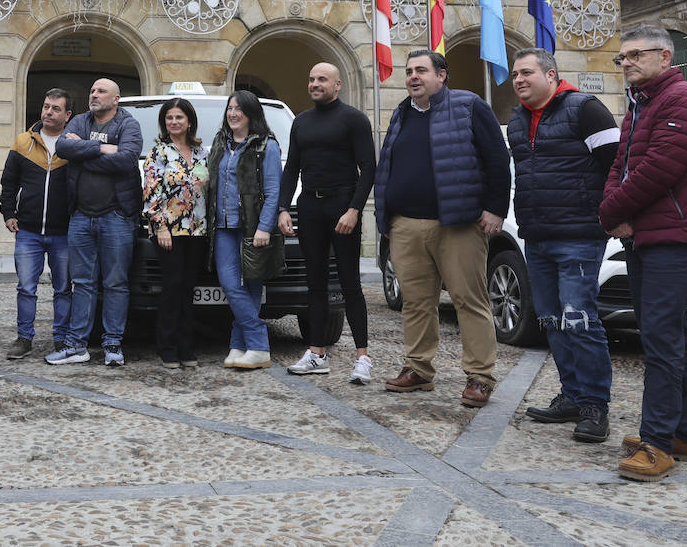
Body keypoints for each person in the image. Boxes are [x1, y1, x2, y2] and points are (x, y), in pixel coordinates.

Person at [599, 24, 687, 483]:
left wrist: (610, 210)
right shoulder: (641, 106)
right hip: (648, 235)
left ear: (665, 57)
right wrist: (613, 210)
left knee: (660, 339)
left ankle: (656, 444)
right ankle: (685, 435)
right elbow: (620, 165)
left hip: (678, 235)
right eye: (623, 57)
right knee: (672, 333)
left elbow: (659, 169)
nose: (627, 62)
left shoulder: (684, 99)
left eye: (636, 54)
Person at [373, 49, 510, 408]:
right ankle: (418, 369)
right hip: (405, 225)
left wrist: (496, 208)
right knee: (416, 302)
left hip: (458, 224)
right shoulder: (401, 113)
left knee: (469, 299)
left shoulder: (469, 106)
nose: (413, 77)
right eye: (408, 72)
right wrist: (385, 217)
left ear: (442, 76)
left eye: (421, 70)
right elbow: (387, 167)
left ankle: (480, 376)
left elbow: (497, 159)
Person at [508, 48, 619, 443]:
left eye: (526, 73)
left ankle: (594, 405)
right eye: (515, 75)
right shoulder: (518, 120)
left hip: (579, 235)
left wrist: (613, 217)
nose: (519, 80)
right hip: (537, 238)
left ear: (551, 75)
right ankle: (572, 395)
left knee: (580, 319)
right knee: (553, 321)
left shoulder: (587, 109)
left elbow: (616, 167)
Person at [279, 63, 377, 383]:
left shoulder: (354, 119)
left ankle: (363, 358)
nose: (315, 84)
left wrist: (354, 209)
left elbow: (368, 167)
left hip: (342, 205)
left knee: (350, 283)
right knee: (315, 284)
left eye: (322, 79)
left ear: (338, 85)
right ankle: (317, 353)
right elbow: (291, 168)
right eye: (311, 79)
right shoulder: (301, 122)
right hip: (309, 205)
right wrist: (282, 209)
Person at [46, 78, 144, 367]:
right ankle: (77, 346)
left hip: (117, 216)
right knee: (83, 283)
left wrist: (84, 153)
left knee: (115, 282)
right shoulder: (79, 120)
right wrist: (103, 148)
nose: (94, 95)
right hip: (81, 216)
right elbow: (63, 148)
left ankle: (113, 345)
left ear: (116, 99)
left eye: (101, 91)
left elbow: (127, 160)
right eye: (91, 90)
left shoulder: (129, 124)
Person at [205, 90, 283, 370]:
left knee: (251, 285)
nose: (233, 113)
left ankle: (246, 346)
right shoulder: (220, 143)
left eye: (239, 109)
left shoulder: (267, 146)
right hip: (223, 226)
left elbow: (274, 192)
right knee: (230, 284)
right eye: (230, 108)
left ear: (251, 114)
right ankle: (252, 344)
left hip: (252, 227)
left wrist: (264, 227)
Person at [0, 88, 74, 359]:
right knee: (26, 288)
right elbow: (8, 182)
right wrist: (8, 212)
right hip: (28, 230)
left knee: (63, 288)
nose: (48, 112)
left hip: (64, 232)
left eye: (55, 109)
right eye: (45, 106)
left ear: (67, 115)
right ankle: (24, 338)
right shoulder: (23, 142)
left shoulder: (73, 144)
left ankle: (61, 337)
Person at [142, 97, 208, 369]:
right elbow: (150, 192)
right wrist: (161, 227)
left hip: (198, 230)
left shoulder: (203, 152)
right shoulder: (159, 152)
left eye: (179, 117)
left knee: (188, 289)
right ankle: (167, 347)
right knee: (172, 287)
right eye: (169, 118)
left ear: (189, 121)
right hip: (169, 231)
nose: (174, 122)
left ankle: (186, 346)